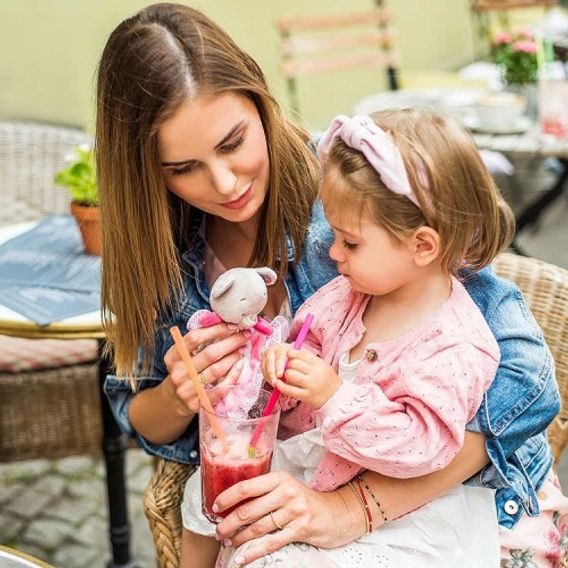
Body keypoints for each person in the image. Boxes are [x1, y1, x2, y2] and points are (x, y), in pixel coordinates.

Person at [95, 3, 563, 567]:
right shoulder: (164, 249)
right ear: (147, 171)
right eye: (182, 168)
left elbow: (527, 378)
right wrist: (179, 395)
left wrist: (351, 509)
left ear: (259, 100)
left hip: (451, 505)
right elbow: (136, 410)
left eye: (232, 142)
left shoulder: (353, 188)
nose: (223, 183)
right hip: (305, 476)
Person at [181, 109, 512, 566]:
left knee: (267, 558)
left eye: (350, 242)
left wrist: (332, 395)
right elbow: (309, 346)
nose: (333, 252)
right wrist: (282, 372)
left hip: (401, 513)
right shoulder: (347, 294)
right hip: (319, 468)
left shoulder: (456, 345)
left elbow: (421, 447)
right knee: (205, 497)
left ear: (422, 245)